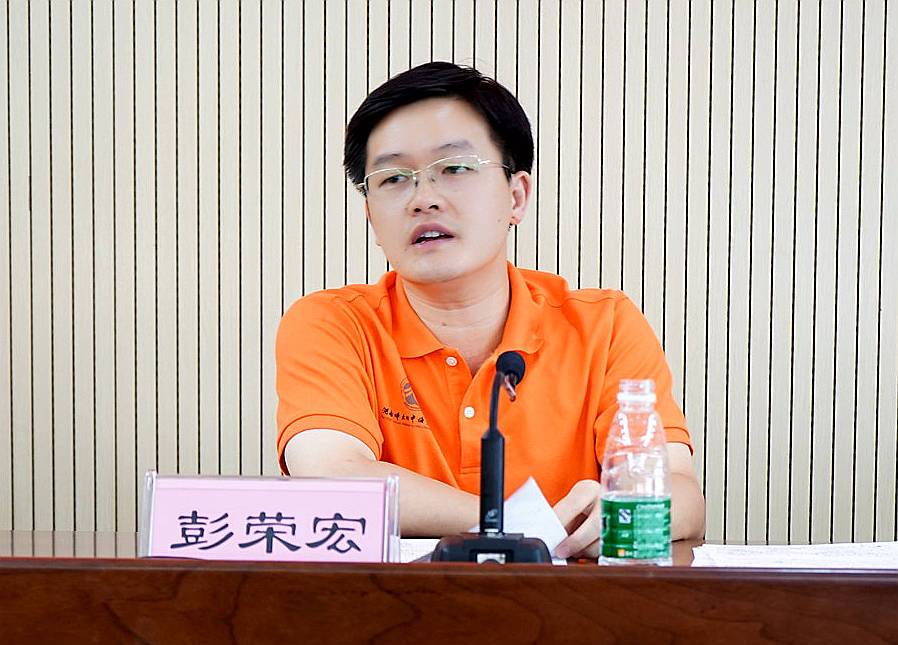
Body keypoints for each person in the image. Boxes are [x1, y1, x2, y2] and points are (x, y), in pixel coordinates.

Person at [276, 62, 705, 558]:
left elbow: (680, 492)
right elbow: (332, 475)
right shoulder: (332, 322)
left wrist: (613, 514)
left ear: (516, 196)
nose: (423, 199)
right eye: (393, 178)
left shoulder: (604, 325)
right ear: (372, 215)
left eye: (455, 169)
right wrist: (524, 527)